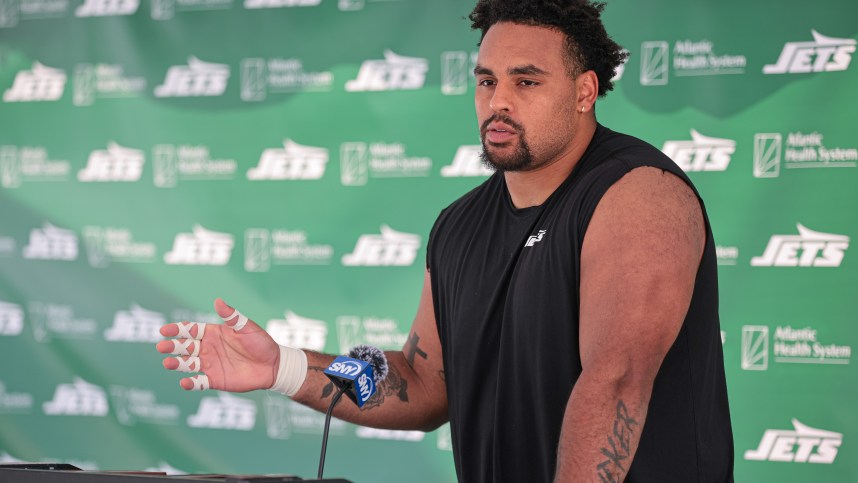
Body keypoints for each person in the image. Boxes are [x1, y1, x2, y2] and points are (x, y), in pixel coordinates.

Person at [157, 1, 734, 481]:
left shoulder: (638, 195)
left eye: (526, 81)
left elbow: (615, 383)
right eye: (487, 81)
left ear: (585, 92)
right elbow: (423, 381)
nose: (498, 101)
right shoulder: (460, 223)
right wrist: (285, 367)